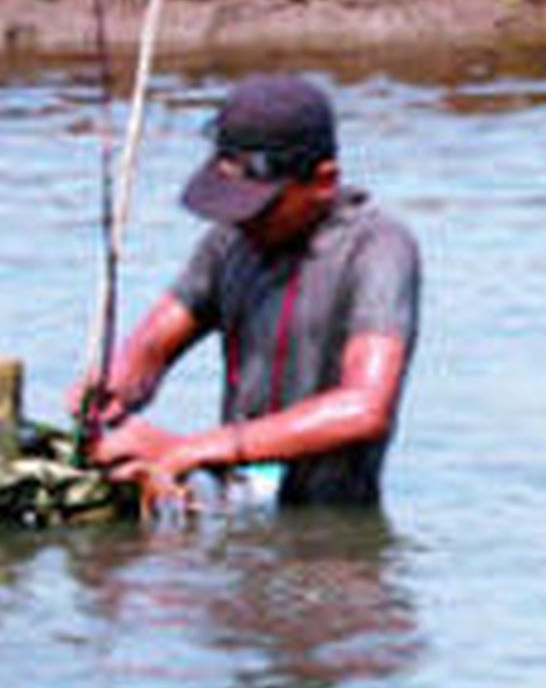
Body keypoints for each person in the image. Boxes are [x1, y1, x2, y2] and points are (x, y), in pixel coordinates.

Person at [79, 73, 419, 511]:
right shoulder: (231, 242)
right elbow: (155, 342)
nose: (243, 221)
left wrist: (192, 447)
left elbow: (364, 408)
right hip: (240, 508)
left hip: (328, 534)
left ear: (322, 182)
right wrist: (116, 390)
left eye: (262, 207)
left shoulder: (378, 248)